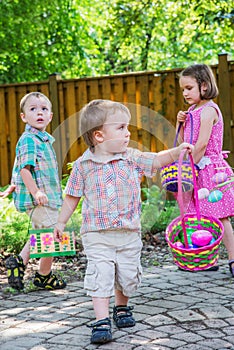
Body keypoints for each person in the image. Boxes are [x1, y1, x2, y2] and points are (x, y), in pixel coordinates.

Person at [53, 99, 193, 344]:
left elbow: (157, 160)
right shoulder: (83, 166)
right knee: (101, 273)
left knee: (127, 276)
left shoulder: (132, 157)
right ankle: (101, 320)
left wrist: (177, 151)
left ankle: (121, 307)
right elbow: (71, 197)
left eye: (127, 127)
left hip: (129, 232)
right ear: (99, 135)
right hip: (97, 234)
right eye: (120, 128)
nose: (128, 133)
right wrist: (61, 222)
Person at [4, 92, 66, 291]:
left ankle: (20, 263)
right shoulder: (30, 139)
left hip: (47, 197)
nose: (39, 112)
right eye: (33, 109)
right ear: (24, 117)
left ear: (50, 116)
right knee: (51, 234)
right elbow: (25, 169)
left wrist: (13, 185)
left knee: (43, 233)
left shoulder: (42, 140)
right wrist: (36, 191)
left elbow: (19, 165)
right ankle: (42, 274)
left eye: (44, 109)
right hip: (40, 199)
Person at [177, 63, 234, 275]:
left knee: (220, 215)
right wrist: (179, 124)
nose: (185, 93)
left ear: (204, 85)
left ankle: (233, 257)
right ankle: (205, 257)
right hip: (196, 166)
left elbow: (201, 144)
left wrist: (190, 168)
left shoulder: (209, 110)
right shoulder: (191, 111)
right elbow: (184, 142)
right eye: (183, 89)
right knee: (199, 215)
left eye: (189, 88)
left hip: (209, 168)